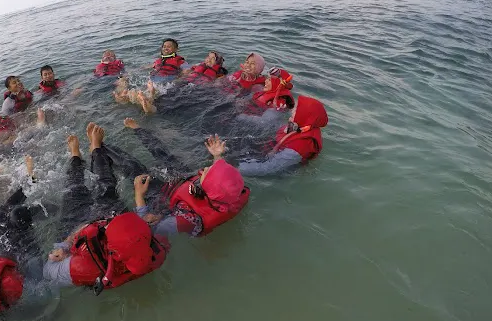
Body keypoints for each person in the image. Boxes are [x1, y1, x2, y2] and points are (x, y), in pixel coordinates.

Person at [43, 123, 170, 293]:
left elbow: (48, 271)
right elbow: (145, 224)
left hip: (74, 230)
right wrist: (150, 209)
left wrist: (65, 246)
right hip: (108, 217)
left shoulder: (82, 267)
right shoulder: (152, 249)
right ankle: (95, 148)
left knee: (74, 190)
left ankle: (75, 156)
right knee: (106, 185)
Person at [121, 119, 249, 237]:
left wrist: (139, 195)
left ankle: (101, 149)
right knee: (162, 152)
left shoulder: (189, 221)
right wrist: (217, 156)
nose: (204, 169)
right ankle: (137, 129)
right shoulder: (227, 193)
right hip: (185, 180)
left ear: (209, 186)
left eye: (208, 171)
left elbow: (150, 230)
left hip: (165, 196)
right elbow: (222, 180)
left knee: (131, 168)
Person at [238, 95, 328, 176]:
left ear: (305, 115)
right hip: (273, 150)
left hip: (279, 169)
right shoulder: (302, 126)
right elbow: (277, 129)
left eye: (296, 109)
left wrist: (235, 169)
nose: (292, 110)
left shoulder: (301, 146)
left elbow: (267, 168)